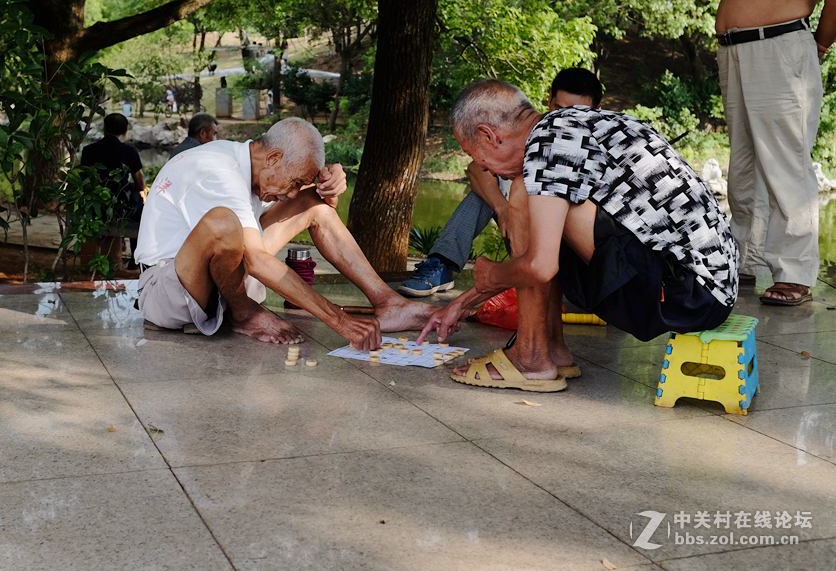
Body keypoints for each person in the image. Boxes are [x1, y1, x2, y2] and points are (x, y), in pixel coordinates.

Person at [417, 80, 738, 392]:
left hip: (687, 295)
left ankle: (530, 358)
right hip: (703, 289)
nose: (483, 168)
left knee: (523, 193)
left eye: (474, 154)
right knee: (543, 207)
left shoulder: (547, 144)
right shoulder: (568, 126)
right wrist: (464, 301)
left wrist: (491, 275)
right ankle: (552, 349)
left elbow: (541, 265)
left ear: (488, 135)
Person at [134, 117, 436, 348]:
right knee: (223, 223)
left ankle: (389, 303)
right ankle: (244, 315)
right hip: (168, 290)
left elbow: (305, 205)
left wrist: (328, 191)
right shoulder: (217, 170)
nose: (292, 193)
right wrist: (339, 320)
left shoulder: (251, 168)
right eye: (294, 182)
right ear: (274, 158)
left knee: (313, 204)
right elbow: (255, 261)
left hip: (219, 285)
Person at [716, 0, 836, 306]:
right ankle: (742, 261)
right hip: (735, 53)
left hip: (782, 47)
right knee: (743, 164)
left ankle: (795, 273)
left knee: (786, 161)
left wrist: (819, 44)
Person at [398, 68, 603, 297]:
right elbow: (479, 168)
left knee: (521, 185)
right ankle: (442, 263)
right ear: (548, 100)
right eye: (559, 109)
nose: (565, 118)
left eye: (577, 112)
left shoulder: (576, 139)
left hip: (581, 254)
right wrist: (504, 209)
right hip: (536, 243)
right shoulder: (525, 132)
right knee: (497, 176)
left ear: (596, 111)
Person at [81, 114, 146, 263]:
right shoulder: (129, 152)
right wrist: (127, 185)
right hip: (120, 208)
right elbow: (141, 184)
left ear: (104, 129)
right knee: (140, 205)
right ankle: (134, 261)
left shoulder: (88, 150)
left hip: (94, 206)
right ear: (125, 131)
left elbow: (85, 181)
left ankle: (120, 244)